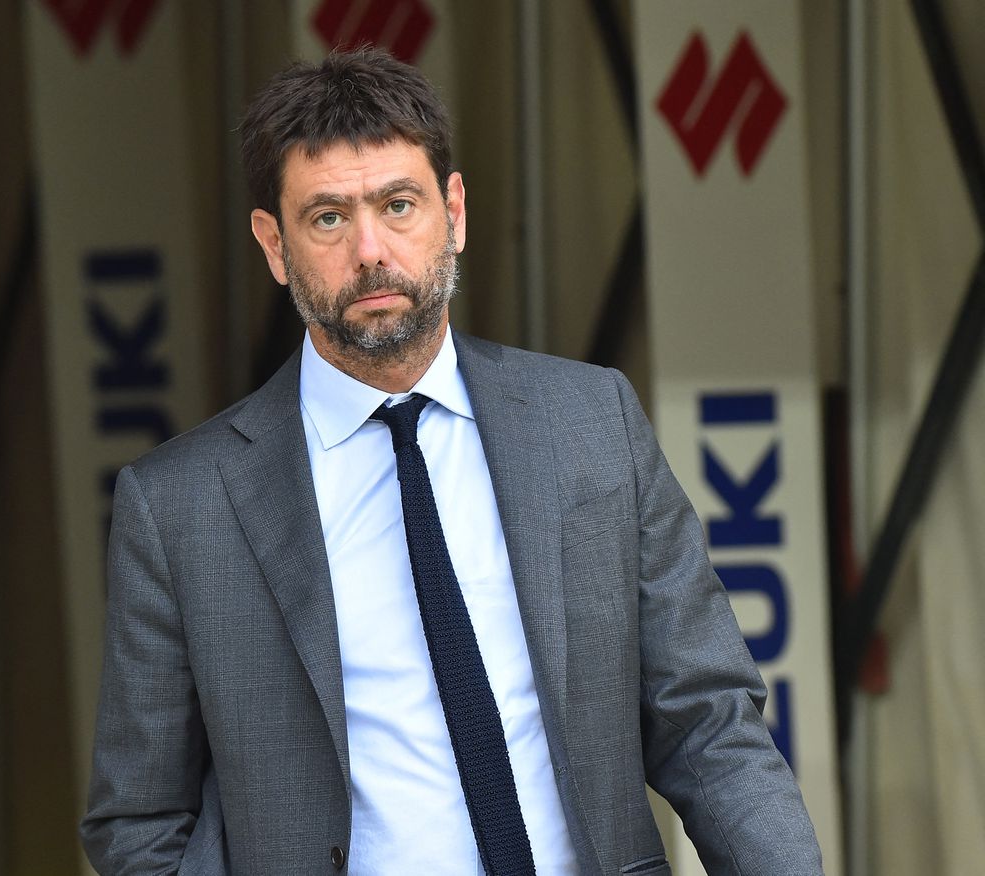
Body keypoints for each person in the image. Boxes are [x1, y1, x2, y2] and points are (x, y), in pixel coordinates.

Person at [80, 48, 823, 876]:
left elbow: (707, 718)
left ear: (455, 211)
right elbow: (140, 822)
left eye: (399, 204)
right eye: (327, 217)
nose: (370, 250)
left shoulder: (591, 422)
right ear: (273, 245)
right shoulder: (182, 506)